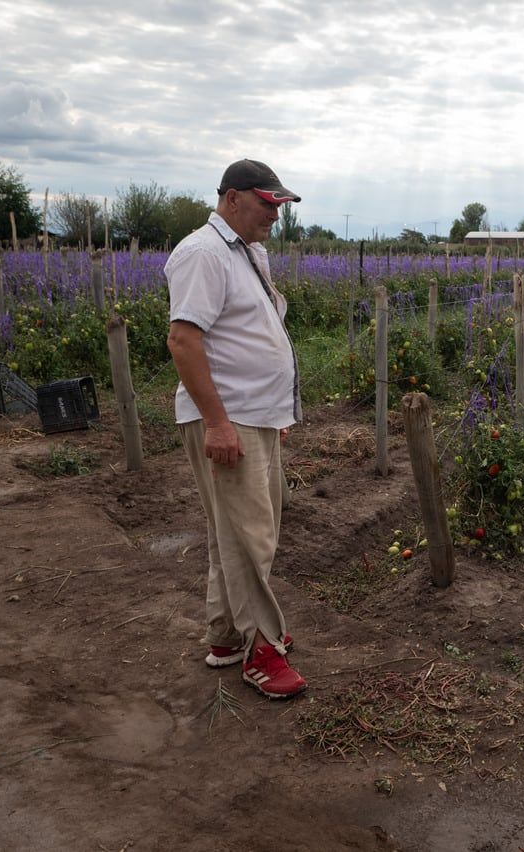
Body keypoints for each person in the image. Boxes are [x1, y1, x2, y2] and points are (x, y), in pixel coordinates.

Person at [165, 158, 306, 699]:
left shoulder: (245, 253)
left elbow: (251, 333)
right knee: (252, 537)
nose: (275, 214)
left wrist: (275, 414)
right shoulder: (203, 253)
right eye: (268, 203)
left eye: (279, 206)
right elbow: (184, 340)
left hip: (255, 415)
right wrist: (219, 423)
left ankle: (225, 636)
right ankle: (261, 650)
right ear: (232, 200)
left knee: (235, 529)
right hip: (229, 418)